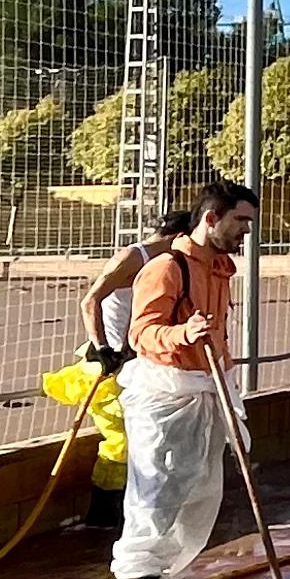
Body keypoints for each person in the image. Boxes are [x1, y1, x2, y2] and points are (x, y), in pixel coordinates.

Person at [104, 180, 253, 579]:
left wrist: (226, 381)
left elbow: (219, 334)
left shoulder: (220, 269)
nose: (246, 233)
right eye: (240, 222)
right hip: (165, 397)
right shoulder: (166, 267)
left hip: (204, 392)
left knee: (196, 499)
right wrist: (182, 332)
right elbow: (142, 331)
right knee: (156, 501)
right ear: (211, 218)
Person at [63, 206, 197, 528]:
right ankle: (102, 515)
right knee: (120, 440)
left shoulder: (169, 265)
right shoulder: (133, 258)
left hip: (135, 363)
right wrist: (102, 348)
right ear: (179, 237)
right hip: (108, 365)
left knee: (147, 438)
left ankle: (134, 511)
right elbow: (89, 301)